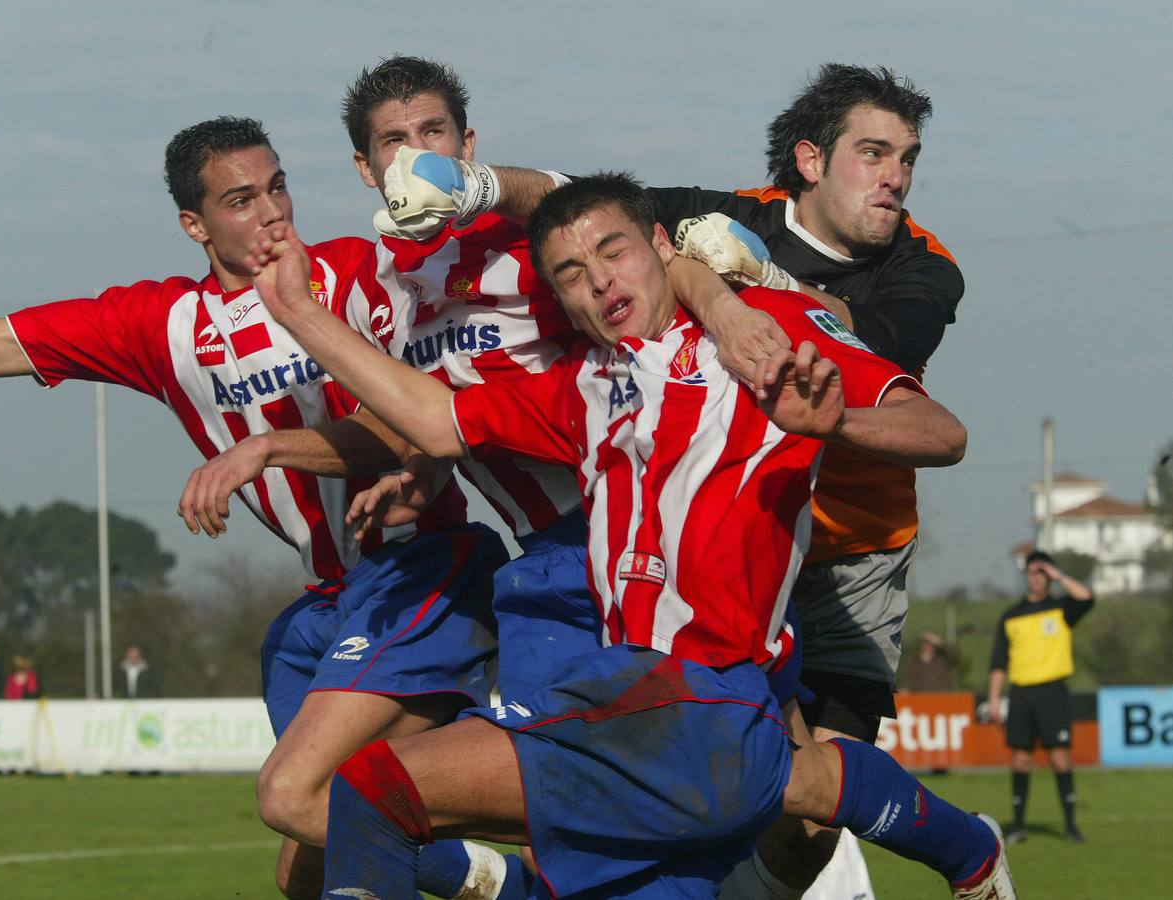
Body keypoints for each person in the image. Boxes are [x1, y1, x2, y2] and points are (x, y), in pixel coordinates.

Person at [241, 173, 1011, 899]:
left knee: (371, 789)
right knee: (799, 784)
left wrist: (836, 422)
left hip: (702, 701)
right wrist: (302, 314)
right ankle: (967, 850)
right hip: (659, 723)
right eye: (571, 273)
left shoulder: (758, 334)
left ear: (658, 247)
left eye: (613, 252)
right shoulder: (582, 388)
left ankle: (962, 847)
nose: (600, 281)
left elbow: (941, 433)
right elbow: (434, 419)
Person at [0, 116, 505, 900]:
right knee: (303, 860)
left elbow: (417, 420)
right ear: (194, 223)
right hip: (325, 606)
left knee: (294, 796)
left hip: (422, 572)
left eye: (277, 187)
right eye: (242, 200)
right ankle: (491, 868)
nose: (273, 212)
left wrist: (262, 449)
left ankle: (531, 841)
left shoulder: (357, 276)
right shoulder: (163, 324)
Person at [179, 58, 786, 898]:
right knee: (341, 838)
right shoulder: (383, 281)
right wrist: (420, 467)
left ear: (469, 144)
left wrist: (722, 305)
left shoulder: (528, 240)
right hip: (543, 564)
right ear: (365, 170)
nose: (417, 156)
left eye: (435, 134)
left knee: (699, 806)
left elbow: (655, 250)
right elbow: (436, 411)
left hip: (639, 552)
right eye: (395, 142)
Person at [373, 62, 962, 896]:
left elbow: (880, 354)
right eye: (874, 153)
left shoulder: (925, 265)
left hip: (852, 554)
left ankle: (955, 852)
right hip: (728, 540)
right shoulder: (724, 214)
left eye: (906, 157)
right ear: (809, 159)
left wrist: (756, 289)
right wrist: (471, 186)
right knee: (697, 779)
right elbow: (586, 209)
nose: (896, 178)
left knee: (809, 820)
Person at [988, 549, 1094, 844]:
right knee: (1021, 759)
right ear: (1025, 577)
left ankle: (1070, 825)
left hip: (1053, 692)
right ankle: (1018, 826)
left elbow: (1086, 597)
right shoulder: (1011, 616)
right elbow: (998, 662)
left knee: (1060, 758)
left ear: (1048, 575)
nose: (1036, 578)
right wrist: (995, 699)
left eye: (1041, 573)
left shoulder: (1061, 608)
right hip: (1021, 693)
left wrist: (1057, 574)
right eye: (1032, 572)